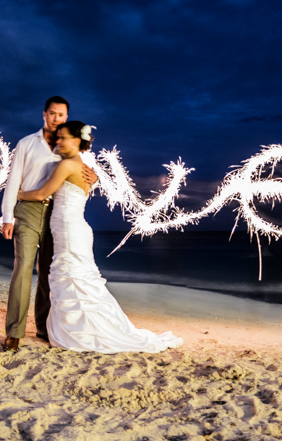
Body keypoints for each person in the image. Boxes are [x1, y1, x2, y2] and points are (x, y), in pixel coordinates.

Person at [18, 121, 183, 354]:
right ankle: (81, 327)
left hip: (69, 228)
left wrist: (18, 193)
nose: (59, 141)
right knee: (75, 278)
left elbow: (43, 193)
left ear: (77, 141)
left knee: (71, 277)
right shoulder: (81, 166)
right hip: (74, 228)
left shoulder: (67, 165)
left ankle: (83, 331)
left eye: (64, 137)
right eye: (59, 137)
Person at [1, 96, 96, 352]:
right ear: (44, 114)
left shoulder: (69, 144)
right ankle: (14, 332)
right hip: (29, 211)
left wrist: (94, 177)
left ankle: (43, 327)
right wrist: (7, 216)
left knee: (48, 274)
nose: (57, 118)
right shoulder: (26, 144)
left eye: (61, 115)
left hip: (57, 215)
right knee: (22, 269)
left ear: (67, 117)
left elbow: (82, 175)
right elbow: (13, 182)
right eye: (52, 113)